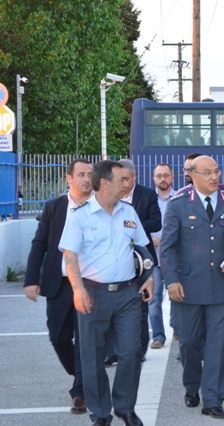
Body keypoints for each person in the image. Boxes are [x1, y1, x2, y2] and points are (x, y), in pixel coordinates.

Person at [59, 160, 154, 426]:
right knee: (92, 356)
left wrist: (148, 278)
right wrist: (78, 290)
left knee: (131, 352)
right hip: (93, 293)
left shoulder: (128, 211)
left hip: (128, 294)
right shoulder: (80, 215)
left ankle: (125, 407)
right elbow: (70, 256)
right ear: (104, 183)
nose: (128, 184)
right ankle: (101, 412)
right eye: (122, 179)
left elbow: (143, 247)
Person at [160, 155, 224, 420]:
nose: (214, 177)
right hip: (187, 287)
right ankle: (192, 385)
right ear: (191, 175)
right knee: (190, 342)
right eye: (207, 172)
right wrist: (172, 281)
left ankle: (213, 399)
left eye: (216, 171)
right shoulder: (178, 205)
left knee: (217, 344)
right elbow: (167, 247)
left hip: (221, 286)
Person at [24, 159, 93, 415]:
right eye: (81, 174)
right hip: (59, 284)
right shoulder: (54, 207)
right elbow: (40, 243)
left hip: (89, 284)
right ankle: (86, 374)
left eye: (90, 174)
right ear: (69, 178)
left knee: (85, 339)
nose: (87, 179)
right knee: (58, 337)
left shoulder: (99, 206)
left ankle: (81, 391)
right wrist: (32, 279)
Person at [119, 159, 162, 358]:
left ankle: (141, 348)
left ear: (134, 177)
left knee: (142, 305)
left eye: (126, 179)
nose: (122, 183)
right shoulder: (110, 195)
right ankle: (115, 350)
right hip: (118, 260)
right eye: (119, 179)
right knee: (118, 307)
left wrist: (131, 226)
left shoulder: (147, 194)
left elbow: (156, 222)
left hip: (142, 258)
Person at [148, 162, 177, 349]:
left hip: (174, 257)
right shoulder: (149, 200)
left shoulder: (179, 199)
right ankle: (158, 335)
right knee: (154, 298)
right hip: (154, 258)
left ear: (172, 177)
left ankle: (178, 329)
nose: (163, 179)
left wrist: (164, 239)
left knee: (178, 295)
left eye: (166, 175)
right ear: (154, 178)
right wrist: (150, 239)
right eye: (159, 176)